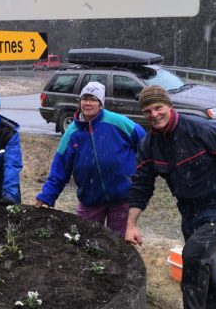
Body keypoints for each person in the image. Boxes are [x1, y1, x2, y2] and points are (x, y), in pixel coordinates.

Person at [125, 85, 216, 309]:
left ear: (169, 106)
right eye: (148, 111)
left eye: (158, 107)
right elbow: (141, 185)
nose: (154, 114)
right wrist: (131, 224)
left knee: (193, 255)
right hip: (191, 211)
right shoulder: (149, 145)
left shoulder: (201, 130)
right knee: (206, 260)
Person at [35, 81, 146, 237]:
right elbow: (59, 169)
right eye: (85, 99)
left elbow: (145, 144)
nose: (88, 103)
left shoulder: (119, 122)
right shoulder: (72, 133)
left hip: (121, 197)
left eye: (93, 99)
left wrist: (140, 171)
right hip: (90, 199)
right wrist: (47, 195)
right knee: (87, 241)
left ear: (100, 104)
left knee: (119, 243)